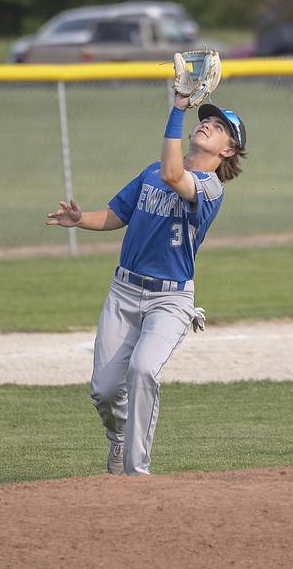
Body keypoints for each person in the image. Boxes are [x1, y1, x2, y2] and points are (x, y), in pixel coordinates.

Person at [46, 94, 247, 475]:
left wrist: (177, 109)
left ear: (227, 149)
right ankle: (118, 435)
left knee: (142, 370)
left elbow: (176, 176)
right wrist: (80, 218)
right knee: (104, 390)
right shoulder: (151, 172)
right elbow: (117, 214)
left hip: (170, 301)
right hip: (123, 292)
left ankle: (135, 473)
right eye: (206, 120)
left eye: (219, 127)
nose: (206, 125)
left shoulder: (209, 189)